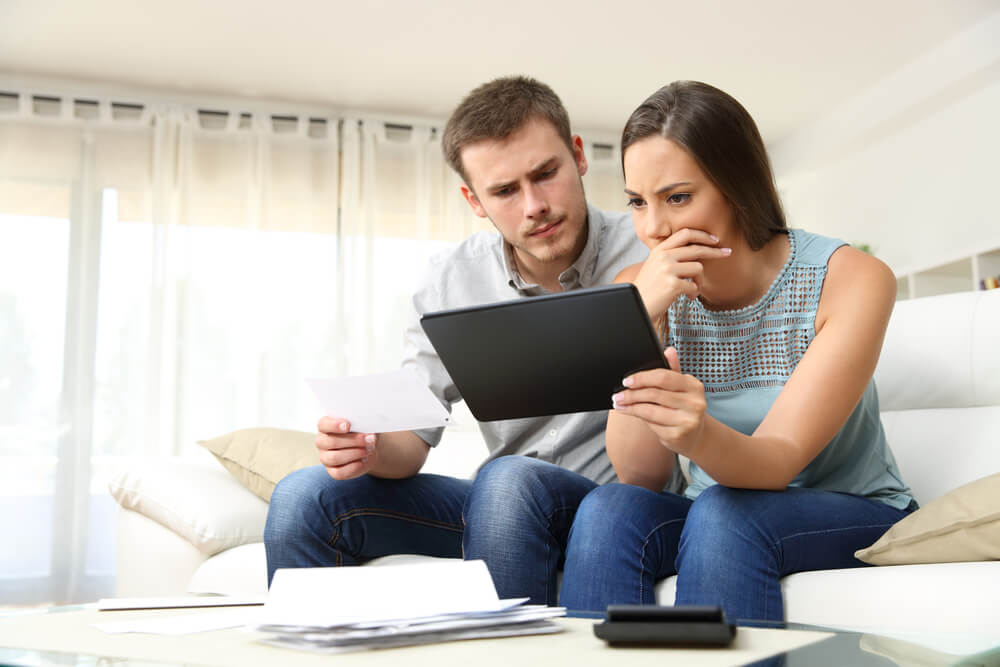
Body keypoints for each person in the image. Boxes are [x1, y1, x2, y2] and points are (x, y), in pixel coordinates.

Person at [263, 75, 656, 586]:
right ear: (475, 200)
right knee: (302, 498)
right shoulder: (451, 282)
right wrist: (367, 447)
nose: (533, 205)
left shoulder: (650, 248)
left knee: (508, 480)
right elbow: (409, 443)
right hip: (504, 510)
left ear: (578, 155)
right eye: (505, 191)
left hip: (610, 505)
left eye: (545, 174)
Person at [549, 81, 916, 621]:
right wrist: (641, 320)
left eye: (677, 197)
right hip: (715, 510)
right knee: (608, 506)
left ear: (738, 186)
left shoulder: (850, 278)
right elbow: (641, 475)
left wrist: (696, 433)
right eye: (636, 202)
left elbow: (777, 461)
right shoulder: (641, 287)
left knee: (726, 511)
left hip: (854, 510)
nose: (653, 229)